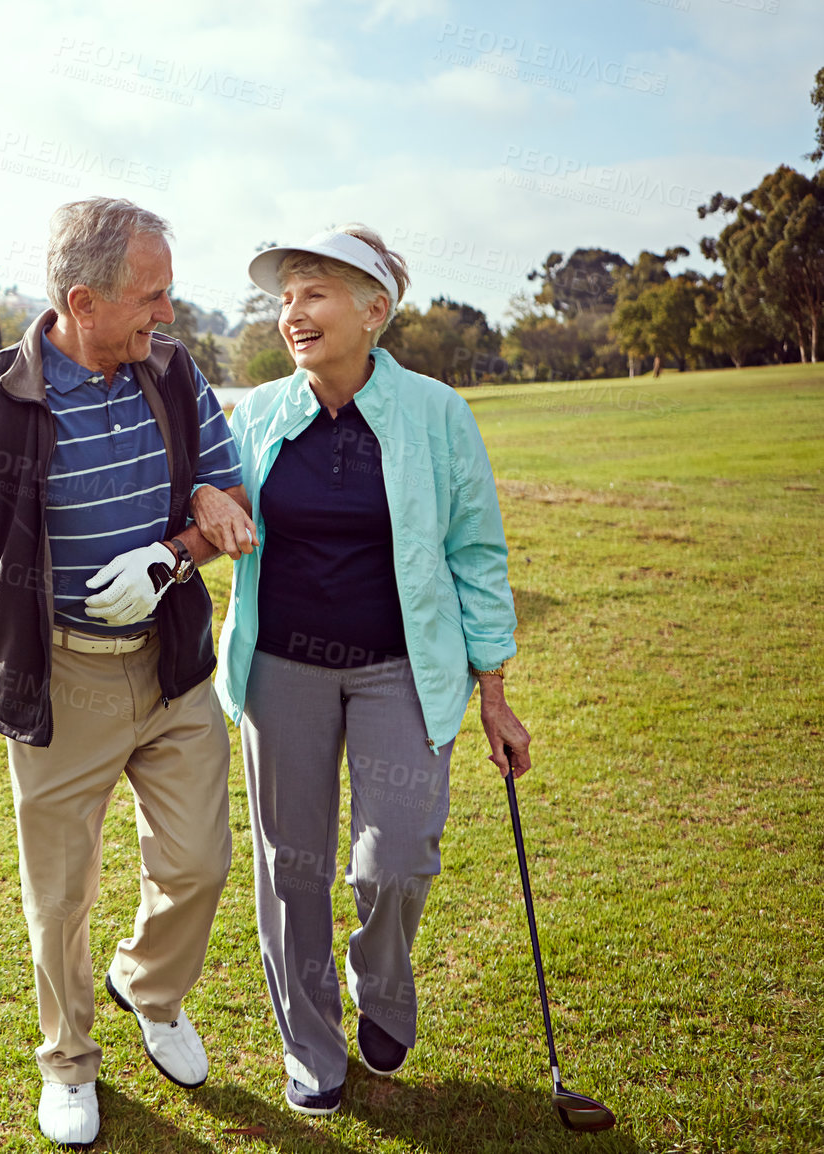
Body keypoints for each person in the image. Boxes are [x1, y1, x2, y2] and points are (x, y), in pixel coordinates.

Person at [0, 197, 254, 1147]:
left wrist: (174, 549)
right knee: (60, 895)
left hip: (168, 668)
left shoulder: (174, 375)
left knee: (202, 861)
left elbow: (231, 499)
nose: (165, 312)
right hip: (60, 680)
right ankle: (69, 1061)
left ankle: (149, 988)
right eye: (150, 296)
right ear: (84, 300)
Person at [190, 225, 530, 1117]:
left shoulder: (437, 413)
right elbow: (211, 499)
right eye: (286, 295)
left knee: (399, 857)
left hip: (401, 670)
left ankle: (379, 984)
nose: (292, 311)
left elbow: (476, 552)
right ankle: (312, 1046)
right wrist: (205, 507)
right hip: (282, 671)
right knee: (290, 866)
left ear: (374, 311)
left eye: (315, 292)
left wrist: (494, 690)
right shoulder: (258, 412)